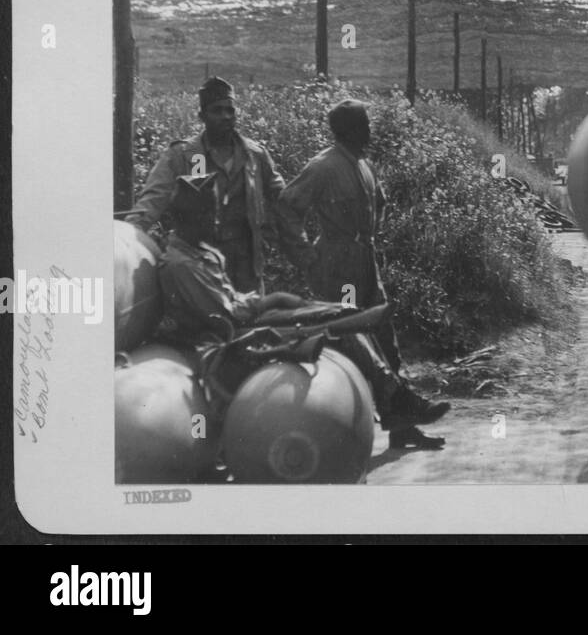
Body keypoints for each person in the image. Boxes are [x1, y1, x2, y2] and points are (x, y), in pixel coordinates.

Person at [152, 175, 449, 447]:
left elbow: (228, 301)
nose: (216, 221)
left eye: (215, 212)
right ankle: (397, 397)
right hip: (232, 337)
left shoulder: (199, 251)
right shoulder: (181, 265)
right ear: (186, 218)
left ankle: (395, 398)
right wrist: (268, 300)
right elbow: (226, 315)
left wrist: (269, 301)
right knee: (337, 329)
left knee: (341, 317)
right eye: (208, 214)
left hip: (244, 321)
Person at [277, 99, 447, 450]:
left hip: (365, 260)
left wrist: (367, 238)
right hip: (336, 266)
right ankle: (343, 424)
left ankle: (402, 426)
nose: (370, 130)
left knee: (385, 338)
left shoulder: (364, 165)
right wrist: (307, 255)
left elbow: (379, 202)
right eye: (364, 124)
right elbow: (288, 205)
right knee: (351, 337)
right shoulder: (323, 166)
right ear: (349, 130)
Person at [126, 77, 304, 292]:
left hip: (246, 261)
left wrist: (294, 243)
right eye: (217, 111)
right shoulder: (184, 156)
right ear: (202, 116)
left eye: (230, 111)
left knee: (252, 318)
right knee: (209, 319)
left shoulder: (254, 155)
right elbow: (153, 200)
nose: (225, 117)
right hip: (200, 260)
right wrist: (127, 239)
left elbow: (281, 199)